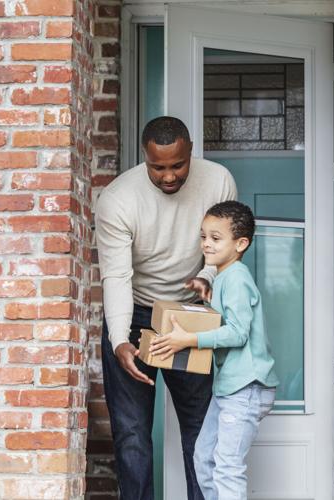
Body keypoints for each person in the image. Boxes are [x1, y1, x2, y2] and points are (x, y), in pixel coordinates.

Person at [95, 116, 237, 500]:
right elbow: (116, 276)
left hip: (188, 313)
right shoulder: (118, 199)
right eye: (158, 167)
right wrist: (120, 340)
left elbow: (222, 247)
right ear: (145, 158)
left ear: (191, 152)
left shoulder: (218, 180)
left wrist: (207, 277)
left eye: (178, 165)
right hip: (137, 314)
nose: (169, 175)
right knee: (133, 434)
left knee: (201, 429)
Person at [150, 201, 279, 500]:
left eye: (216, 238)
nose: (206, 244)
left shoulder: (237, 278)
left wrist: (189, 339)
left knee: (227, 467)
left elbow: (237, 333)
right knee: (204, 460)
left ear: (241, 243)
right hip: (228, 388)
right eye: (203, 236)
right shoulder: (222, 278)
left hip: (247, 387)